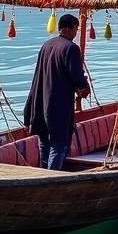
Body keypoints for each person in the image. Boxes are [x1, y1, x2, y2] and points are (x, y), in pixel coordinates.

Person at [23, 13, 89, 170]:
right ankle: (52, 177)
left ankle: (43, 175)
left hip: (41, 101)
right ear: (66, 28)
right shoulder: (71, 48)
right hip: (58, 103)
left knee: (44, 141)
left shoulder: (47, 45)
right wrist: (84, 88)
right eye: (75, 29)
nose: (76, 32)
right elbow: (77, 77)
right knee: (59, 145)